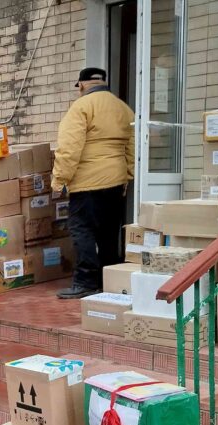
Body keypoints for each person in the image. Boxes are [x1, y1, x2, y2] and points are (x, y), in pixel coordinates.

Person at [52, 68, 135, 299]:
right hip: (116, 181)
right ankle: (109, 279)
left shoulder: (81, 107)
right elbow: (133, 147)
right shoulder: (123, 108)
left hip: (87, 183)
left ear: (81, 85)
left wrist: (59, 180)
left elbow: (69, 149)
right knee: (108, 232)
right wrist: (128, 175)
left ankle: (86, 281)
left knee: (82, 230)